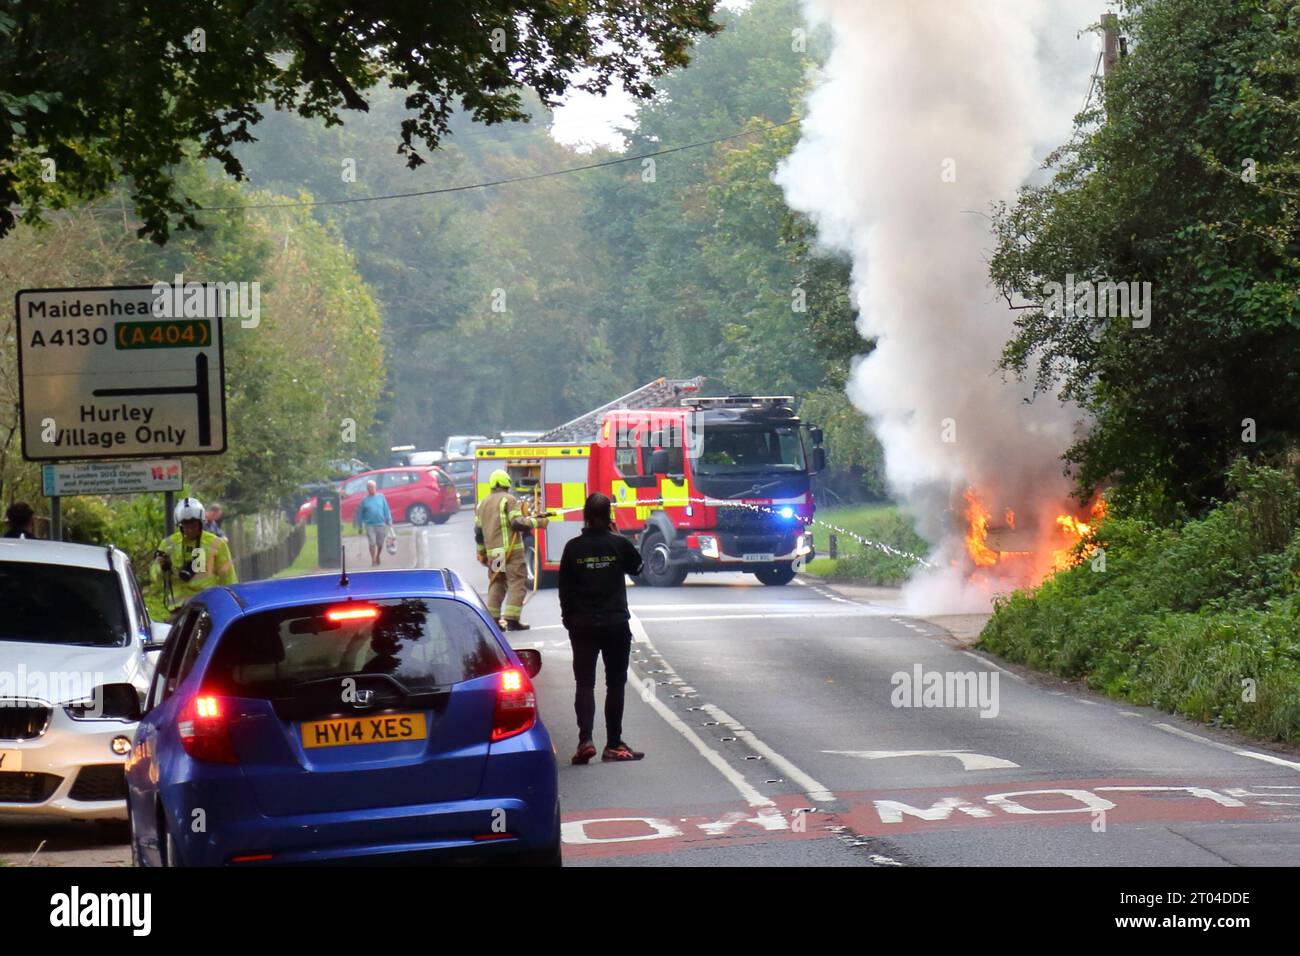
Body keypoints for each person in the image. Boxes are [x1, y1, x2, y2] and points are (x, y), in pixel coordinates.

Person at [558, 492, 645, 764]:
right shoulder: (619, 544)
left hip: (582, 626)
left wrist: (569, 619)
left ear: (585, 515)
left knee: (584, 683)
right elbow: (638, 568)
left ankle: (585, 740)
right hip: (615, 624)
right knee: (615, 683)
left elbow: (564, 590)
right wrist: (619, 537)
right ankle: (614, 744)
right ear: (609, 517)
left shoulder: (573, 548)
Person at [474, 468, 548, 631]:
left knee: (497, 582)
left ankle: (493, 620)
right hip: (512, 551)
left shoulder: (482, 504)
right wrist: (538, 523)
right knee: (517, 582)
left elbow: (478, 532)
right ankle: (512, 619)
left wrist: (482, 552)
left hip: (495, 553)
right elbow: (516, 523)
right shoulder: (509, 499)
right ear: (506, 484)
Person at [151, 496, 237, 614]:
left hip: (206, 607)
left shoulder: (216, 543)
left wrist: (230, 606)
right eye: (186, 526)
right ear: (180, 525)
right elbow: (155, 578)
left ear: (201, 523)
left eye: (194, 525)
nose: (190, 530)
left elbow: (228, 578)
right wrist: (162, 567)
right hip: (177, 611)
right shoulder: (168, 544)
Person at [355, 480, 393, 566]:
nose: (371, 489)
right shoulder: (364, 500)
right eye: (369, 488)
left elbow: (386, 509)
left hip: (381, 523)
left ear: (375, 488)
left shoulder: (381, 497)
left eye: (373, 487)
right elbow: (360, 513)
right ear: (367, 489)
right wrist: (360, 526)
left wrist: (389, 519)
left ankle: (378, 555)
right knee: (372, 542)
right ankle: (373, 560)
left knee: (380, 543)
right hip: (369, 525)